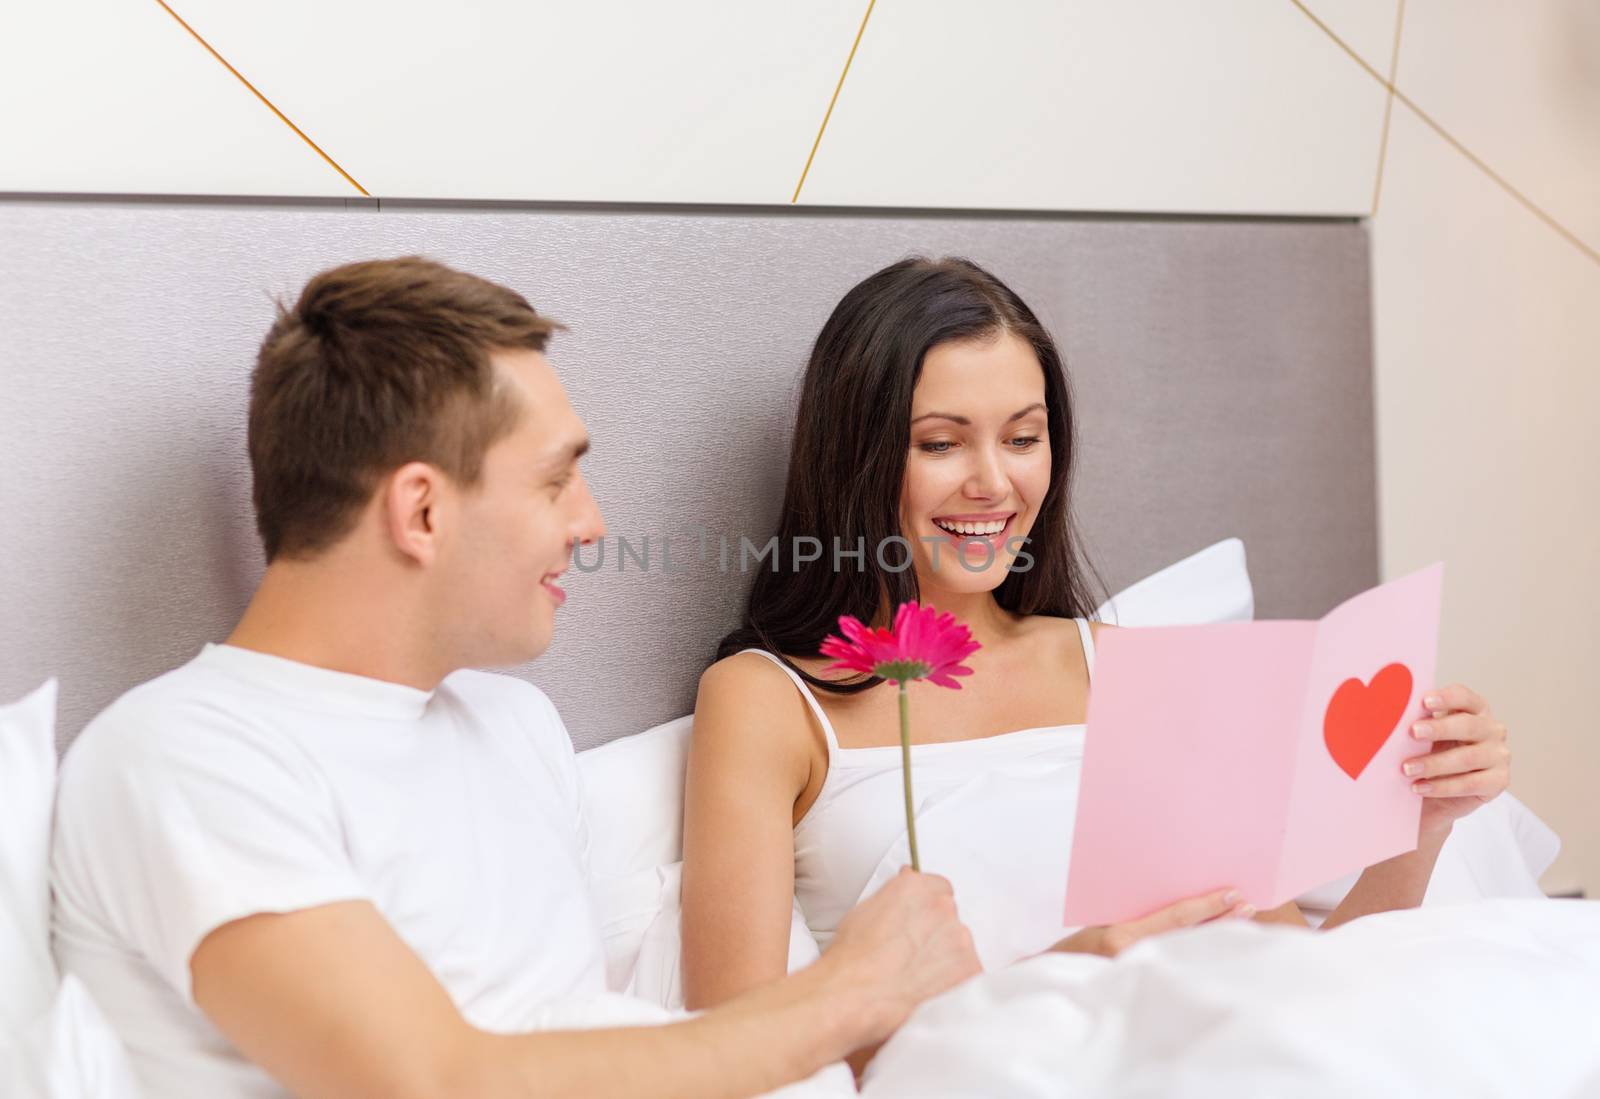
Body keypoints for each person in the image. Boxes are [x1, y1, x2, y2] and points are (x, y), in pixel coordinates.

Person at [49, 257, 982, 1099]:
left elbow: (569, 1043)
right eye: (554, 482)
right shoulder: (186, 758)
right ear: (420, 511)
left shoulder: (511, 725)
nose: (592, 524)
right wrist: (849, 992)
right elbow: (436, 1082)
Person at [681, 257, 1513, 1073]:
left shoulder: (1128, 668)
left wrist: (1422, 824)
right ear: (854, 459)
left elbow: (1299, 976)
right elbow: (734, 1045)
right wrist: (1061, 972)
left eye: (1023, 438)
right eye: (941, 443)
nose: (994, 482)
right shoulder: (768, 700)